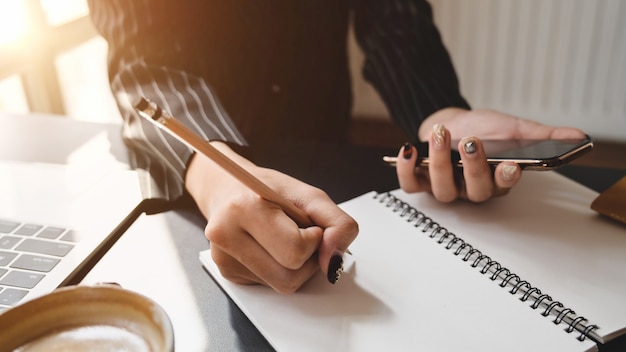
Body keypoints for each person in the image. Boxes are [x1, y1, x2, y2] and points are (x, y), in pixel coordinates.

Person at [87, 1, 585, 293]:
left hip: (320, 131)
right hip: (197, 175)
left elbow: (393, 17)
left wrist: (441, 115)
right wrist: (218, 176)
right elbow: (140, 63)